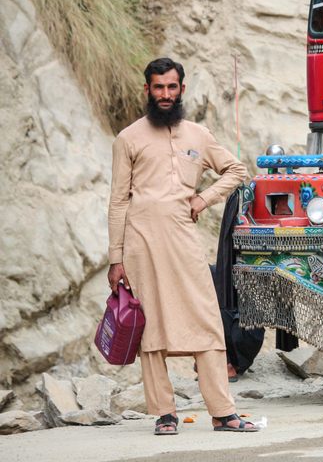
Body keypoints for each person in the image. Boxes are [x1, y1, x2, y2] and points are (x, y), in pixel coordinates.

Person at [107, 57, 257, 435]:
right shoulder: (128, 138)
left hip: (184, 242)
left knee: (208, 321)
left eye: (171, 87)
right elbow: (118, 201)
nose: (165, 94)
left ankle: (223, 412)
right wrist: (115, 258)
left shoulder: (198, 135)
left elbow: (236, 171)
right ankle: (165, 414)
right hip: (140, 246)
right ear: (147, 90)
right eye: (158, 87)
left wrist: (202, 199)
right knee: (151, 329)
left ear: (182, 90)